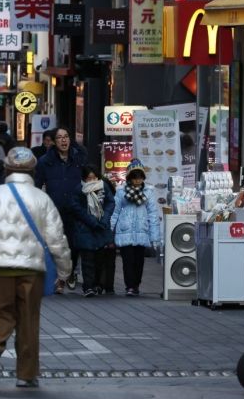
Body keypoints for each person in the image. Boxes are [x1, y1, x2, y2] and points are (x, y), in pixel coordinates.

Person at [0, 147, 71, 389]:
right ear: (33, 171)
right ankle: (26, 374)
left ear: (7, 170)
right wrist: (64, 271)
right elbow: (57, 239)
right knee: (28, 320)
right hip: (32, 269)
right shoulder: (42, 199)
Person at [34, 127, 88, 293]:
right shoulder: (45, 161)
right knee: (55, 243)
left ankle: (70, 272)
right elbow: (37, 184)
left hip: (76, 207)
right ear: (54, 141)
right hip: (54, 207)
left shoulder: (79, 158)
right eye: (59, 138)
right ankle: (59, 279)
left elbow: (89, 177)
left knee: (73, 243)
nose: (64, 140)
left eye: (66, 137)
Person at [110, 159, 161, 297]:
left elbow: (153, 214)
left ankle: (136, 285)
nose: (137, 180)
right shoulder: (121, 191)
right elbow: (115, 211)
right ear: (129, 177)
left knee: (139, 261)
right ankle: (129, 286)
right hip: (125, 230)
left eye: (140, 177)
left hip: (142, 230)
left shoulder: (148, 192)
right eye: (134, 177)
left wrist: (155, 236)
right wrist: (110, 230)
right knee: (127, 261)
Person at [70, 165, 115, 297]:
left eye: (94, 177)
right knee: (87, 259)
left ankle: (97, 284)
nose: (92, 180)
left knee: (99, 259)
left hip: (101, 228)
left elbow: (110, 203)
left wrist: (104, 219)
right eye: (89, 178)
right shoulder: (79, 189)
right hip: (85, 228)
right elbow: (76, 208)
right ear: (84, 178)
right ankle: (88, 287)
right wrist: (92, 221)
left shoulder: (103, 187)